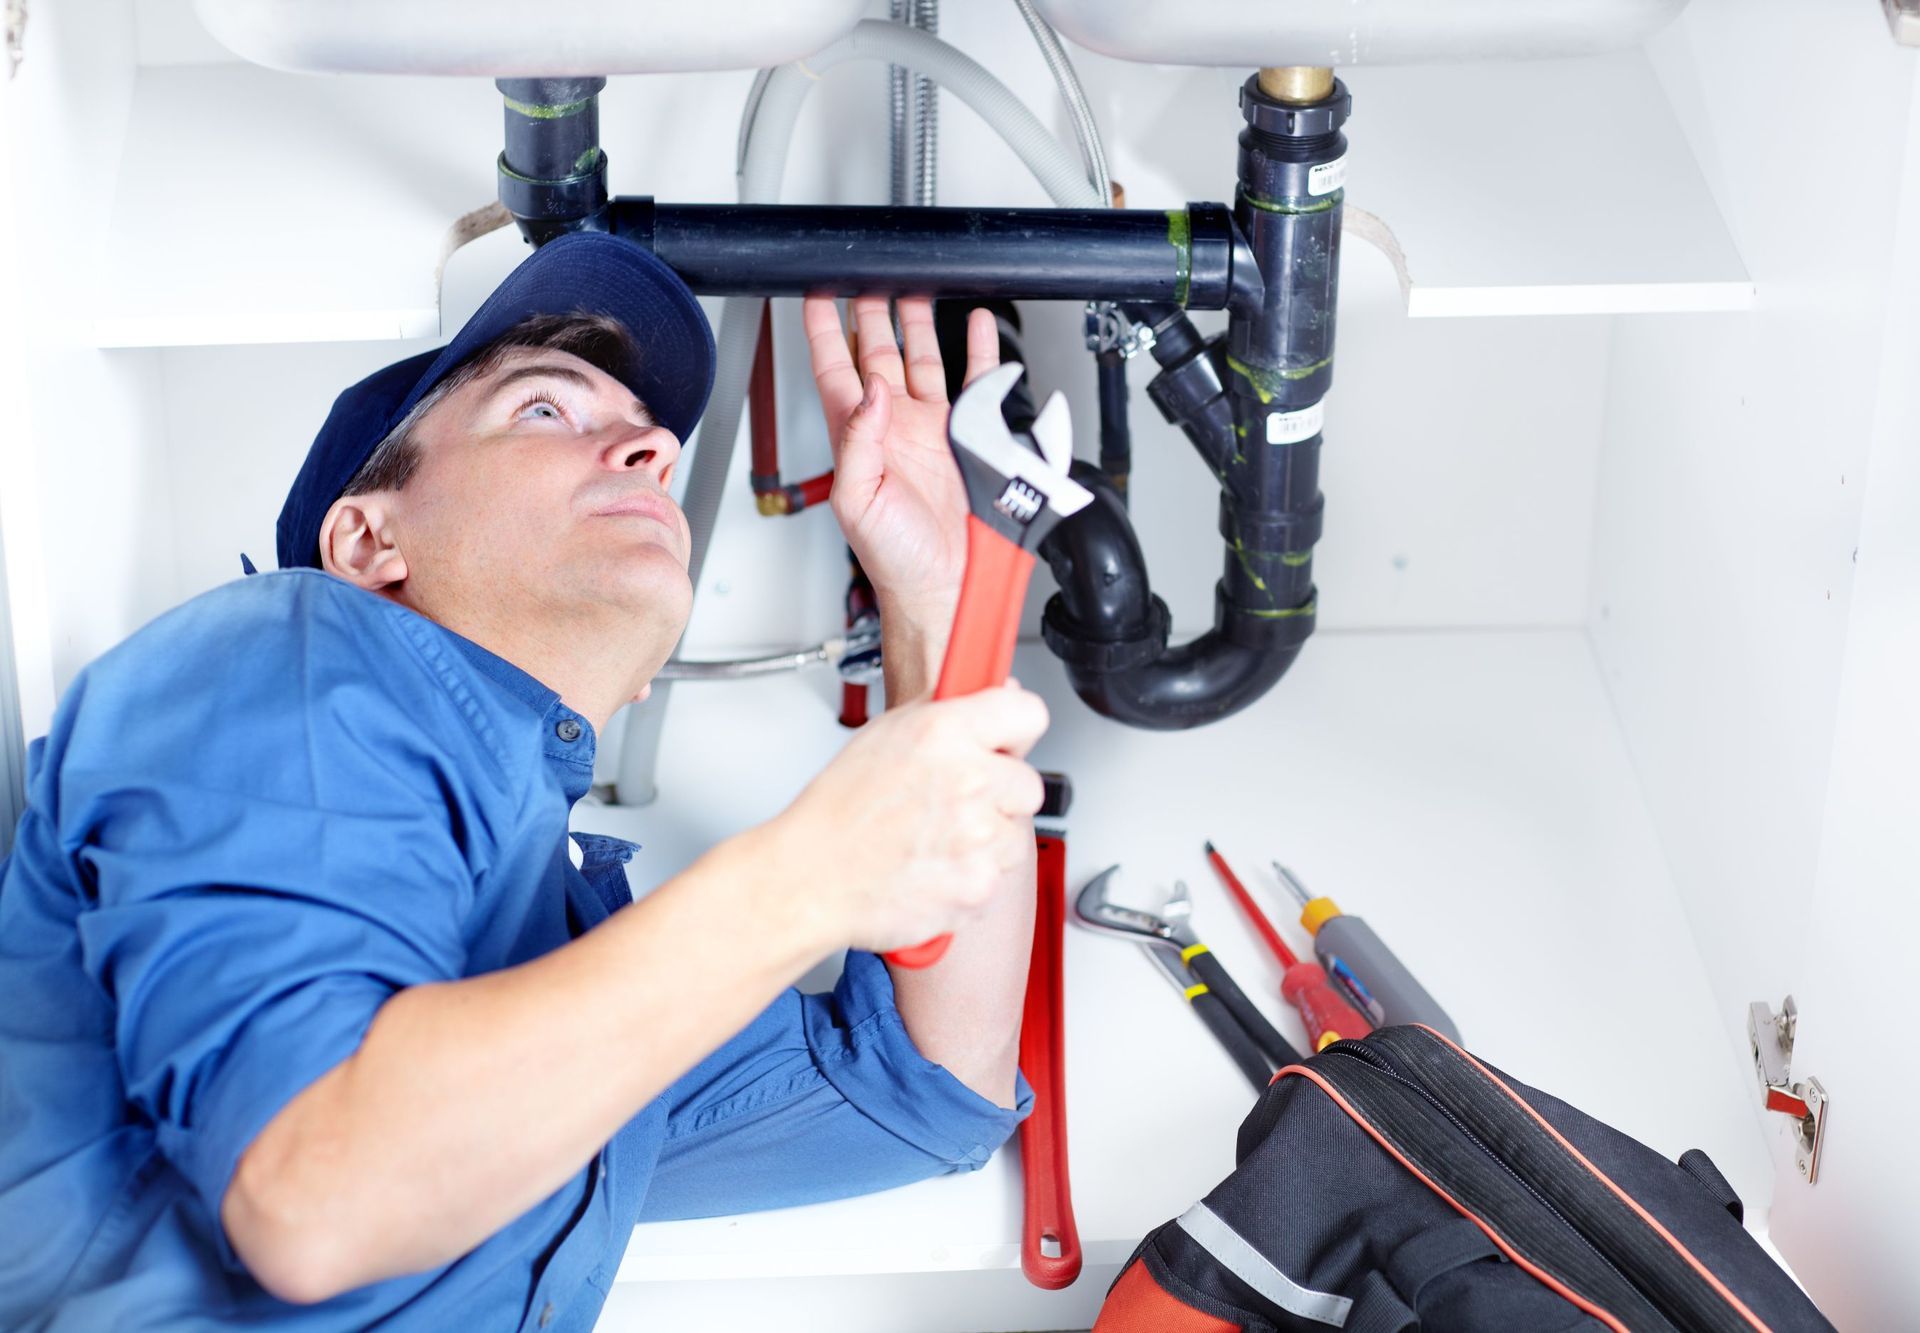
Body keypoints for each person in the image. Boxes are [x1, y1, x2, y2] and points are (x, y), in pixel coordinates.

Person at [0, 231, 1050, 1330]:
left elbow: (927, 1087)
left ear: (638, 685)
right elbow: (318, 1194)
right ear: (368, 543)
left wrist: (933, 604)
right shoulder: (289, 656)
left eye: (649, 440)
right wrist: (804, 879)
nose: (648, 446)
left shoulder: (559, 965)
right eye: (546, 410)